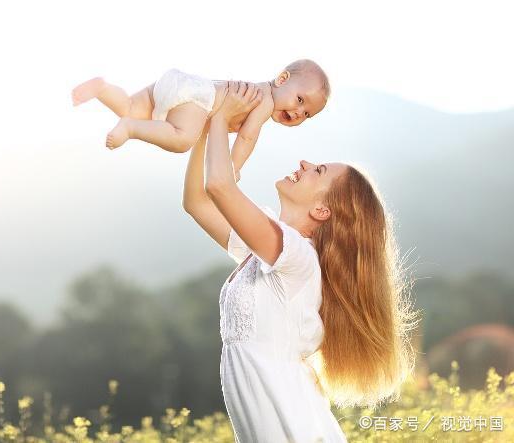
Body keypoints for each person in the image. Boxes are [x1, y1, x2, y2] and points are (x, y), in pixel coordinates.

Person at [182, 81, 421, 442]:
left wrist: (219, 114)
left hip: (288, 418)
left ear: (322, 209)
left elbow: (220, 186)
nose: (305, 163)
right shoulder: (263, 250)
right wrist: (204, 128)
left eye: (319, 171)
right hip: (270, 415)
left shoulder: (295, 255)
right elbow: (197, 202)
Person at [71, 59, 329, 181]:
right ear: (282, 79)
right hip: (198, 98)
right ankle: (131, 128)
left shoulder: (259, 89)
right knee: (182, 138)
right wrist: (233, 168)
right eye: (300, 100)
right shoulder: (265, 101)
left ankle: (102, 89)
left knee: (129, 106)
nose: (299, 113)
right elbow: (247, 137)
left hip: (178, 83)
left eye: (307, 114)